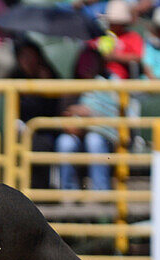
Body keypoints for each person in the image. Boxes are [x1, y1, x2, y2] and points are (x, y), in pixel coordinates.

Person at [55, 46, 119, 191]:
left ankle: (100, 192)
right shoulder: (70, 87)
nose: (88, 65)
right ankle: (68, 193)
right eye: (84, 62)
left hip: (103, 135)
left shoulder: (108, 84)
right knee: (65, 143)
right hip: (76, 134)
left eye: (91, 61)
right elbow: (63, 117)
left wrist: (90, 115)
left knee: (94, 140)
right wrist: (72, 122)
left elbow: (113, 114)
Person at [13, 38, 63, 189]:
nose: (27, 61)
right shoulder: (14, 77)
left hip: (46, 131)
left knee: (40, 143)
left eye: (31, 56)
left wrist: (45, 87)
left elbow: (55, 109)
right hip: (22, 129)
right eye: (23, 56)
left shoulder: (51, 77)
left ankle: (40, 189)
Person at [97, 0, 144, 79]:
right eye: (111, 22)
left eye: (115, 23)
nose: (112, 25)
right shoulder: (104, 37)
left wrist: (115, 57)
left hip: (122, 78)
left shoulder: (133, 37)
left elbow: (137, 57)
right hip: (102, 76)